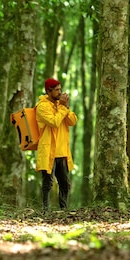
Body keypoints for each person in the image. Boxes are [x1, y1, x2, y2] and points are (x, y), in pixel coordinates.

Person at [35, 77, 78, 211]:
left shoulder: (61, 105)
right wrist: (63, 109)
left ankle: (63, 210)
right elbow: (54, 122)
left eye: (60, 89)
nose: (60, 92)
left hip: (62, 151)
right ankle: (45, 210)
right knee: (48, 183)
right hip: (49, 151)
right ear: (49, 91)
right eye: (57, 90)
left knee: (65, 183)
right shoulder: (42, 107)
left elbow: (72, 121)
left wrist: (65, 107)